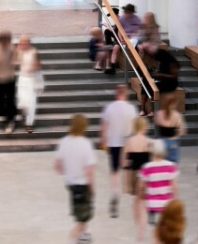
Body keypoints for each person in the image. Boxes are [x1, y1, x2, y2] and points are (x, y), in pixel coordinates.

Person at [54, 114, 97, 244]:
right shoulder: (85, 144)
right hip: (83, 185)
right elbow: (90, 170)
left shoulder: (64, 142)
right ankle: (73, 240)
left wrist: (68, 171)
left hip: (71, 184)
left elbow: (57, 166)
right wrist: (92, 188)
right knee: (82, 220)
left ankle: (81, 239)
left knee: (82, 218)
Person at [99, 84, 138, 219]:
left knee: (115, 172)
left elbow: (104, 127)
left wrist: (103, 140)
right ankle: (132, 195)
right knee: (129, 170)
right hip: (127, 143)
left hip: (114, 143)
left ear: (116, 94)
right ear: (126, 94)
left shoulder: (109, 108)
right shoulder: (131, 109)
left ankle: (115, 193)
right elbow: (135, 127)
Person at [123, 117, 152, 243]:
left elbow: (125, 163)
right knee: (143, 202)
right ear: (144, 127)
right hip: (146, 174)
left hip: (134, 174)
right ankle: (142, 229)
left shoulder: (129, 142)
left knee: (136, 200)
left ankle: (137, 223)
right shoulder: (149, 142)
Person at [139, 140, 178, 227]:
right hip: (167, 202)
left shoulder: (146, 167)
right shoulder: (171, 166)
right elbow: (174, 187)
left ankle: (152, 218)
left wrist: (142, 195)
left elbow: (142, 186)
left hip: (152, 203)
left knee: (153, 225)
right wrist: (175, 199)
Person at [142, 47, 180, 117]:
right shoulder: (162, 62)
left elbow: (174, 76)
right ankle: (143, 108)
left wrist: (161, 75)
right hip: (163, 80)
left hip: (171, 83)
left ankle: (152, 110)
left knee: (153, 88)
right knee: (145, 84)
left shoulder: (172, 62)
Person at [15, 35, 42, 134]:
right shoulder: (19, 51)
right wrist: (18, 51)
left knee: (31, 103)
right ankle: (24, 113)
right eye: (21, 43)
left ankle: (29, 123)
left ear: (29, 43)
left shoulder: (34, 52)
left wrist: (32, 68)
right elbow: (15, 63)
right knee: (23, 101)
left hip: (32, 80)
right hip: (22, 79)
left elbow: (39, 65)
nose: (23, 44)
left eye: (25, 43)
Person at [154, 92, 187, 163]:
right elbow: (182, 130)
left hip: (161, 142)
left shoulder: (159, 114)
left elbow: (157, 124)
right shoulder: (177, 115)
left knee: (160, 163)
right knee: (172, 164)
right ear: (174, 103)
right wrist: (177, 133)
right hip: (172, 142)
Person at [108, 4, 141, 72]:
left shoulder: (137, 19)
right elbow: (119, 30)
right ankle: (112, 66)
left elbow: (138, 31)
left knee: (140, 48)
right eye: (126, 12)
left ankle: (139, 67)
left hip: (134, 38)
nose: (127, 14)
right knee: (115, 48)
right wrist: (121, 39)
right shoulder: (122, 19)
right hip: (123, 37)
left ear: (132, 12)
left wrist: (130, 39)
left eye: (129, 12)